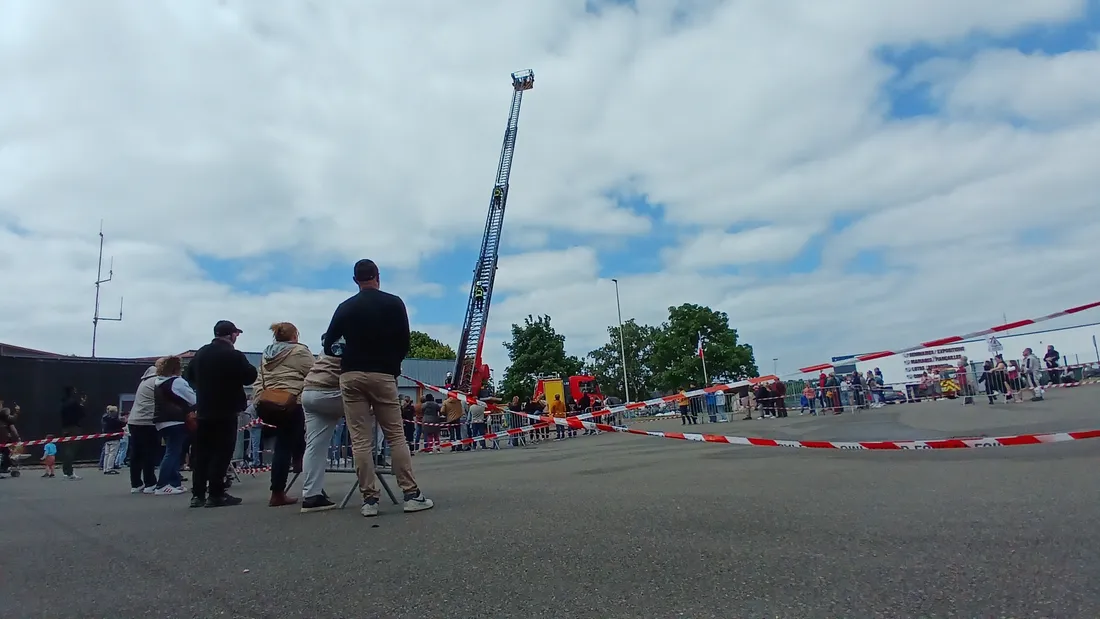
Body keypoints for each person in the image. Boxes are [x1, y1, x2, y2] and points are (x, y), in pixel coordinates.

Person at [323, 259, 433, 517]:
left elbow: (329, 344)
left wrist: (346, 352)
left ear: (355, 280)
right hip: (383, 374)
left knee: (360, 440)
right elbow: (404, 341)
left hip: (351, 374)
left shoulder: (345, 307)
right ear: (377, 276)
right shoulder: (394, 303)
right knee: (395, 435)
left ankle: (369, 500)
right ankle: (410, 493)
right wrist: (392, 363)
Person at [184, 320, 258, 508]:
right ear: (230, 335)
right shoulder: (234, 355)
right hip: (226, 409)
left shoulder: (201, 353)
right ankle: (216, 493)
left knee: (202, 453)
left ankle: (197, 494)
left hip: (204, 408)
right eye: (236, 334)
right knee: (222, 452)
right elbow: (250, 376)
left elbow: (188, 376)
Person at [252, 322, 314, 507]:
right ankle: (278, 492)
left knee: (288, 437)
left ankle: (298, 460)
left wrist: (257, 400)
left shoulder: (266, 355)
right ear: (295, 336)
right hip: (290, 402)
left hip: (268, 403)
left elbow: (259, 378)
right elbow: (315, 374)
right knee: (285, 444)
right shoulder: (300, 352)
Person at [299, 352, 344, 513]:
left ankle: (311, 495)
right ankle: (369, 492)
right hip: (332, 390)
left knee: (314, 445)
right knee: (366, 420)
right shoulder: (358, 338)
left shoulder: (329, 347)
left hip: (310, 390)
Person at [153, 355, 197, 496]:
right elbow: (193, 399)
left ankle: (173, 483)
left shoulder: (158, 382)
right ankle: (162, 484)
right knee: (173, 452)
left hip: (161, 420)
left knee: (172, 451)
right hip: (175, 419)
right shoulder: (177, 382)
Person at [127, 365, 160, 494]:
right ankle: (150, 482)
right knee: (149, 453)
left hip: (133, 420)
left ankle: (136, 484)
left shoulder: (143, 382)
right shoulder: (156, 381)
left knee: (136, 453)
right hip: (147, 421)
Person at [59, 387, 86, 480]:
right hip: (74, 427)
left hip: (65, 428)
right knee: (72, 450)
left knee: (67, 449)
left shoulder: (63, 402)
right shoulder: (74, 403)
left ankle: (66, 470)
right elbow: (81, 414)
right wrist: (82, 404)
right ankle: (70, 472)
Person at [101, 406, 124, 476]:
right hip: (114, 438)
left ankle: (105, 468)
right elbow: (121, 425)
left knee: (107, 454)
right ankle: (109, 468)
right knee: (112, 454)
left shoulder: (104, 419)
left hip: (106, 438)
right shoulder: (115, 420)